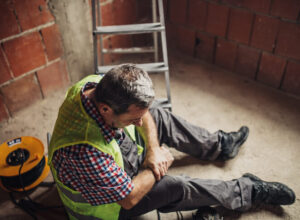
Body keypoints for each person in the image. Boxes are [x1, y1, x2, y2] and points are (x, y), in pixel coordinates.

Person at [48, 64, 295, 220]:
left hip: (114, 154)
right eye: (132, 118)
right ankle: (248, 190)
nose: (138, 122)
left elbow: (144, 115)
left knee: (158, 116)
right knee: (175, 185)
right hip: (111, 206)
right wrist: (155, 166)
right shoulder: (82, 152)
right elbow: (129, 197)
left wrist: (153, 150)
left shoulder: (97, 85)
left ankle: (219, 146)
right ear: (105, 109)